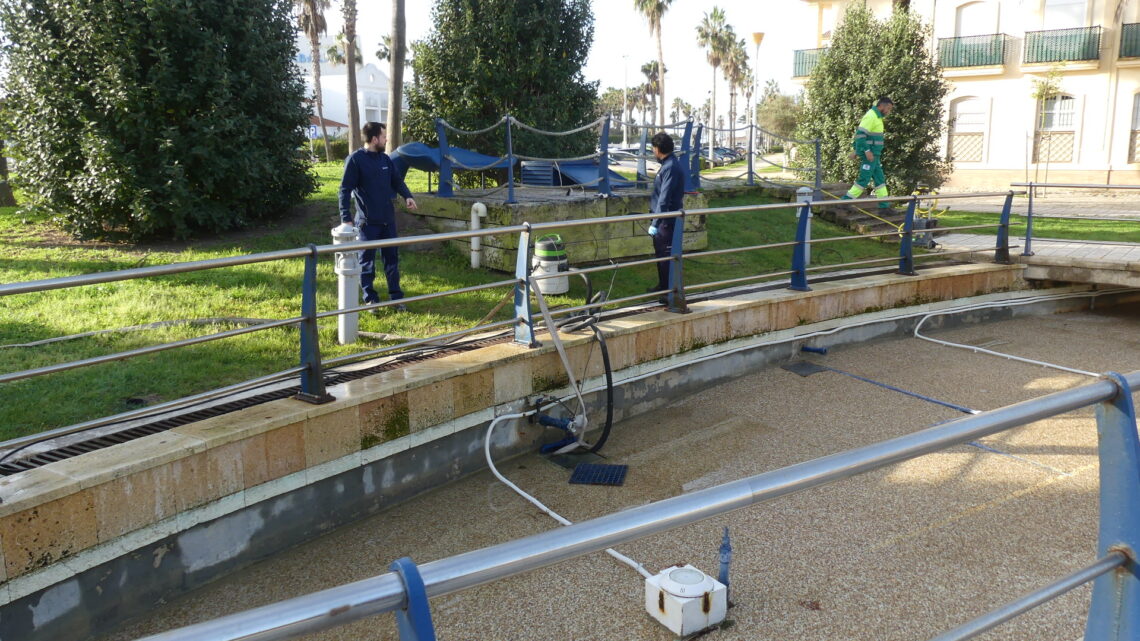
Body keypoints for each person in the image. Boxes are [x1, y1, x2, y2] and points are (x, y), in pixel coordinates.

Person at [339, 122, 418, 312]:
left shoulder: (385, 159)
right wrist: (346, 217)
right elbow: (344, 189)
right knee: (367, 263)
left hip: (387, 221)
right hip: (367, 223)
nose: (386, 139)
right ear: (374, 139)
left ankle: (395, 298)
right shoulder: (355, 160)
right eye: (383, 136)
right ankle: (370, 299)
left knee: (392, 261)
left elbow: (397, 180)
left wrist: (408, 196)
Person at [646, 132, 688, 302]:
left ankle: (668, 292)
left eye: (653, 149)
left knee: (666, 258)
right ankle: (663, 286)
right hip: (663, 220)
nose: (653, 152)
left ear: (658, 149)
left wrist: (656, 222)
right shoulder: (668, 164)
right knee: (661, 256)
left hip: (666, 222)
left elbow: (664, 198)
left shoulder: (670, 167)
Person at [841, 96, 894, 209]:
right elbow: (860, 135)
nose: (889, 112)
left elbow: (864, 136)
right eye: (888, 109)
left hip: (875, 155)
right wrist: (866, 151)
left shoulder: (877, 117)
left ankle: (884, 206)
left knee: (880, 180)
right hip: (870, 156)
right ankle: (845, 202)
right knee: (864, 179)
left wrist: (857, 150)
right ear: (881, 106)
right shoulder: (871, 116)